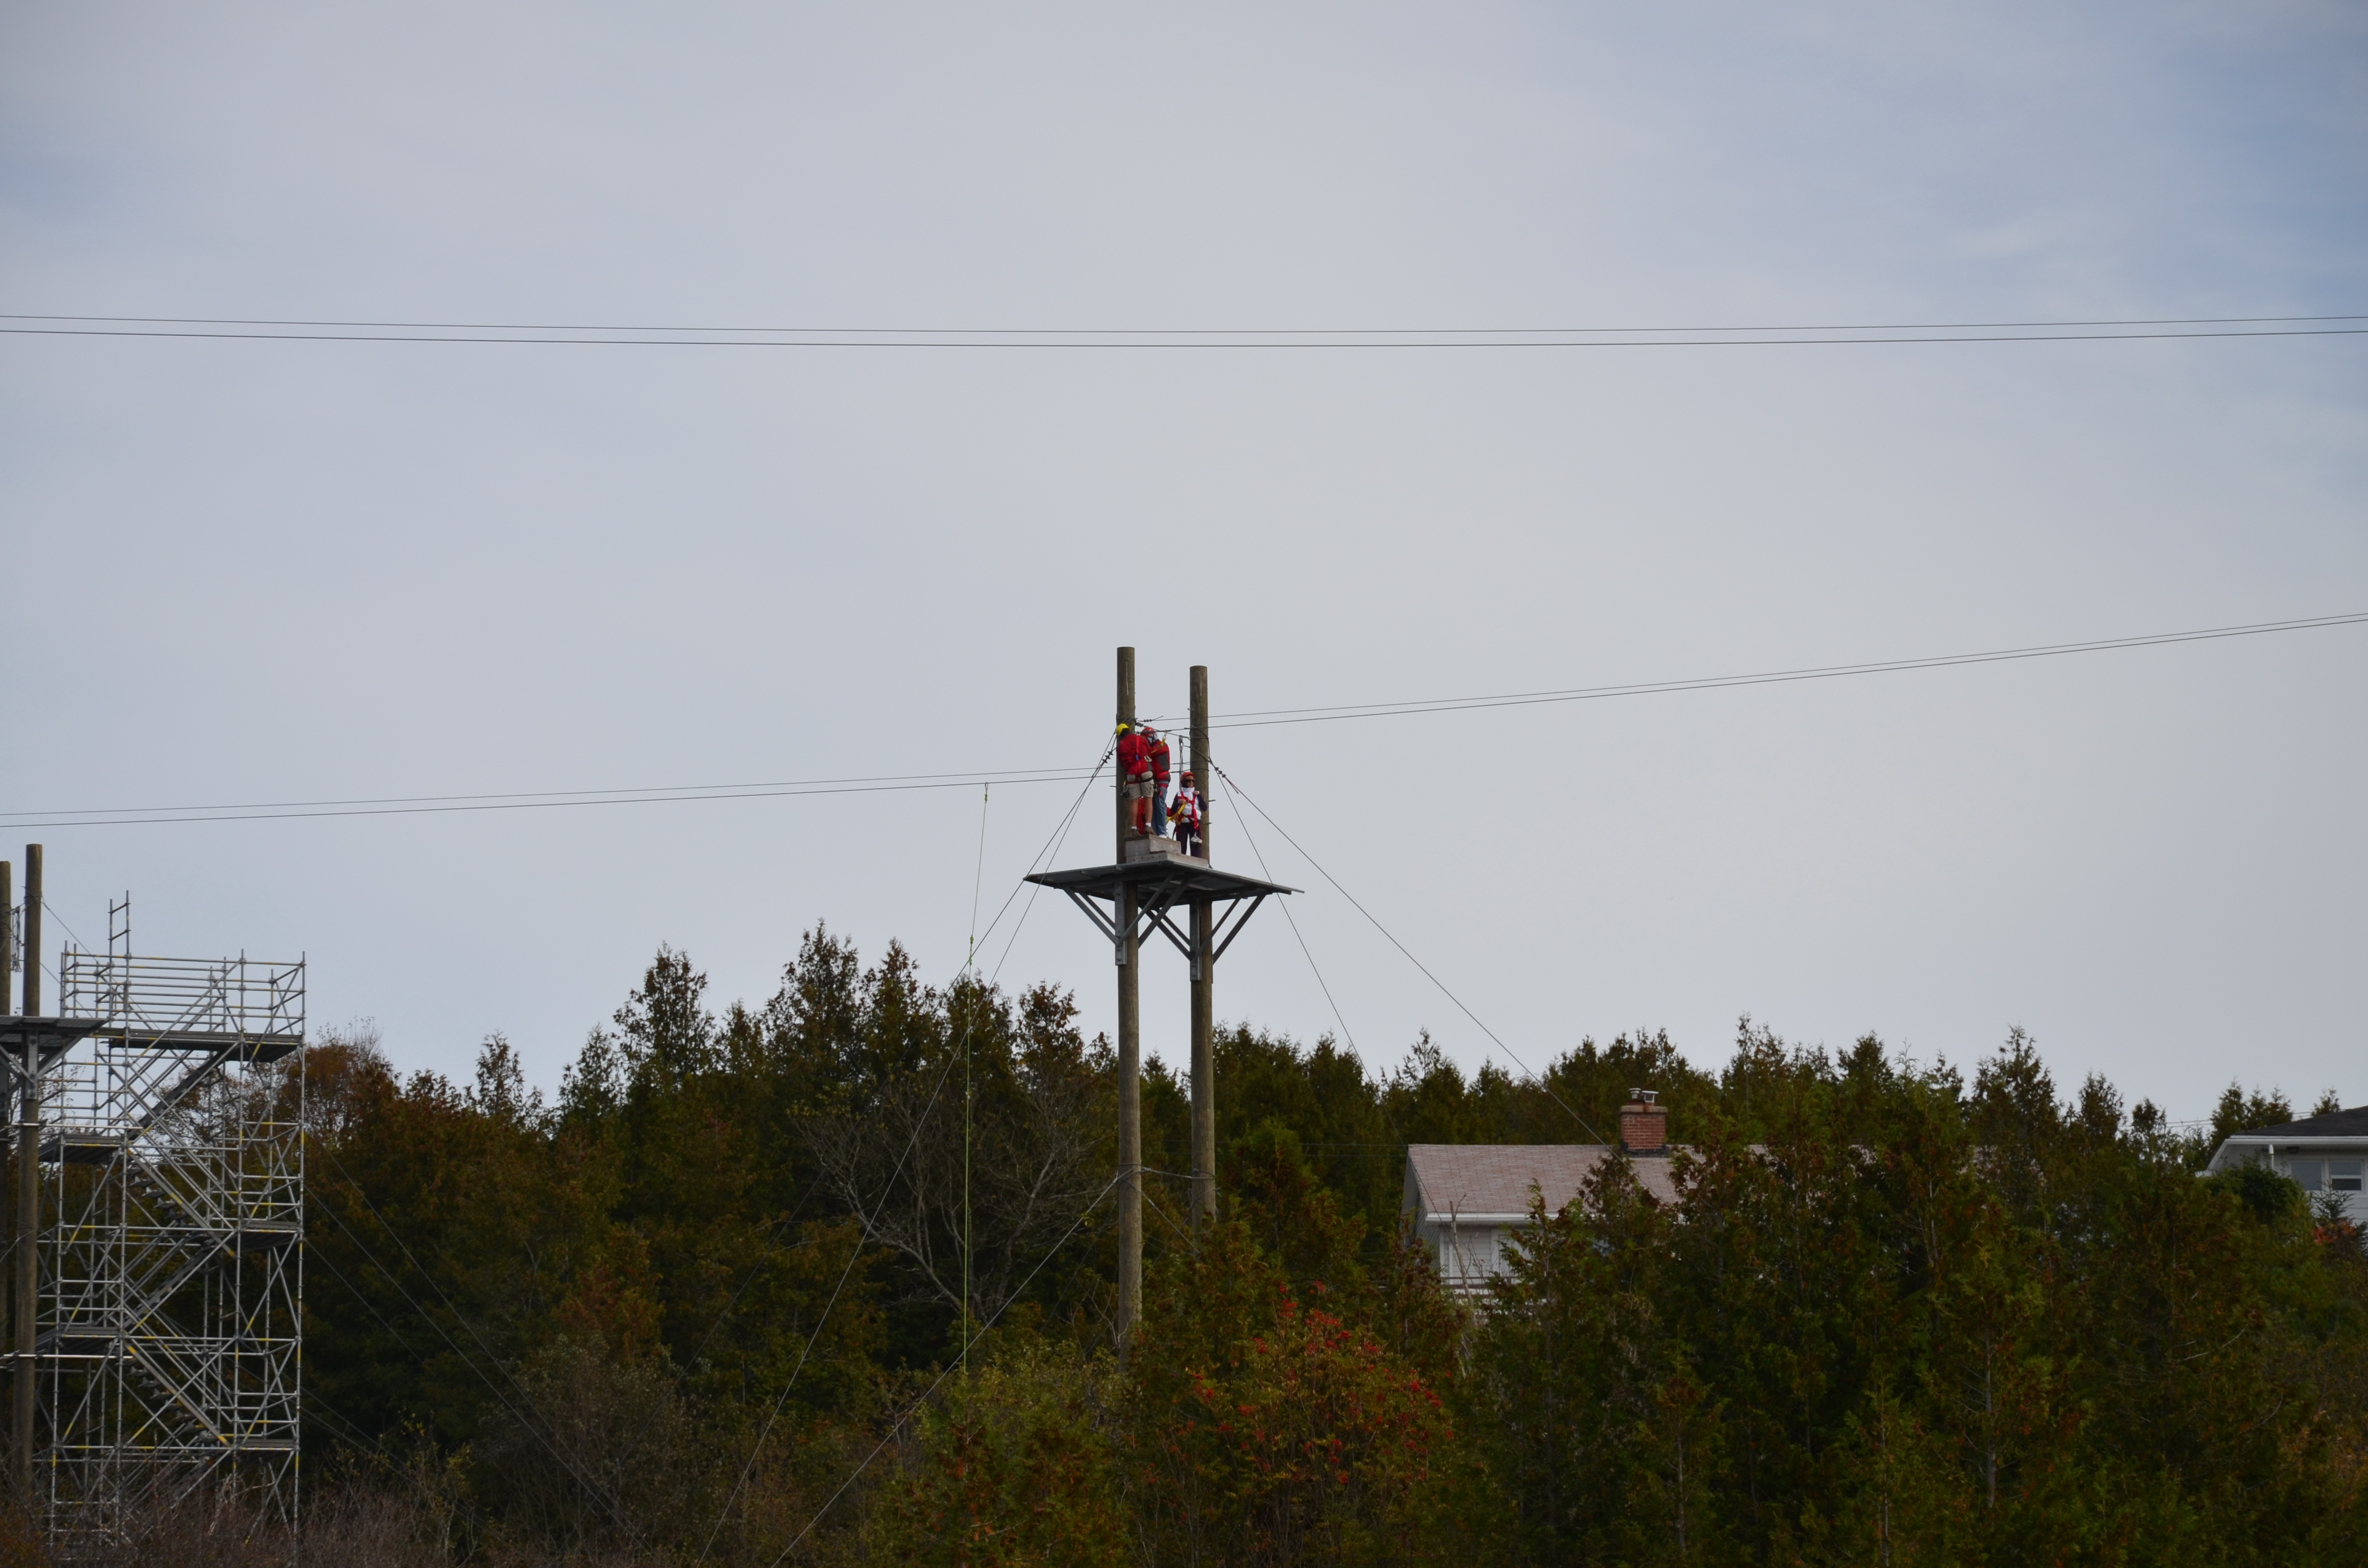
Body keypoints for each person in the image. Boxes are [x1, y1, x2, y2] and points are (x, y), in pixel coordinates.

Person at [1116, 722, 1155, 836]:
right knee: (1148, 798)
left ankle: (1134, 829)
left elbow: (1122, 762)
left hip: (1132, 773)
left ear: (1120, 735)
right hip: (1145, 770)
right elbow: (1149, 752)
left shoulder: (1121, 745)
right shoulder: (1141, 739)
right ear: (1130, 730)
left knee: (1134, 801)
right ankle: (1148, 826)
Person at [1143, 724, 1173, 833]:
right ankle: (1155, 830)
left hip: (1161, 779)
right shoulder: (1155, 747)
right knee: (1154, 806)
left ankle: (1162, 832)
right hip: (1155, 780)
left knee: (1160, 805)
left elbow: (1151, 753)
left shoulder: (1161, 745)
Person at [1169, 771, 1203, 858]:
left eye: (1193, 781)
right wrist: (1178, 803)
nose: (1191, 782)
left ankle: (1197, 864)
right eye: (1189, 780)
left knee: (1196, 846)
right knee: (1181, 845)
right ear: (1184, 782)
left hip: (1195, 823)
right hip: (1182, 823)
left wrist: (1199, 796)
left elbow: (1205, 808)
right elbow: (1172, 810)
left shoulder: (1197, 794)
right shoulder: (1179, 794)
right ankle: (1181, 861)